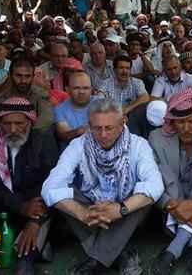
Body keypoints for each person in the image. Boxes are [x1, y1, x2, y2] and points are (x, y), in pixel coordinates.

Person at [41, 98, 164, 274]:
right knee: (63, 196)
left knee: (144, 197)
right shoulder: (79, 144)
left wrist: (120, 209)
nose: (103, 134)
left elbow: (155, 185)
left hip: (125, 213)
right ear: (90, 126)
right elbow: (49, 188)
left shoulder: (138, 145)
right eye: (97, 128)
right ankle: (120, 253)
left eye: (109, 128)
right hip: (92, 210)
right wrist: (81, 212)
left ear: (122, 124)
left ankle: (96, 261)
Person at [0, 97, 58, 274]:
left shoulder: (43, 141)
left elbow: (52, 182)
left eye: (19, 123)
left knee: (51, 210)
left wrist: (34, 221)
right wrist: (22, 207)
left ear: (30, 121)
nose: (13, 130)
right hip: (3, 208)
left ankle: (27, 259)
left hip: (37, 207)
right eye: (7, 124)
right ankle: (38, 248)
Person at [149, 89, 192, 275]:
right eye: (180, 122)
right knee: (160, 170)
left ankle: (172, 251)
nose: (186, 128)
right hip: (172, 209)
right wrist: (172, 206)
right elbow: (151, 180)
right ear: (172, 121)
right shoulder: (156, 139)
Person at [0, 57, 54, 132]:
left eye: (27, 76)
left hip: (34, 137)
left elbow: (46, 120)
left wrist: (25, 134)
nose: (23, 81)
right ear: (10, 76)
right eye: (18, 76)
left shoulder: (41, 95)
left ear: (33, 76)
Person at [54, 72, 93, 144]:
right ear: (67, 90)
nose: (81, 92)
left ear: (91, 89)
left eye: (86, 88)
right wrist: (81, 131)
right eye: (76, 88)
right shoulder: (60, 110)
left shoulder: (101, 103)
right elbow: (64, 135)